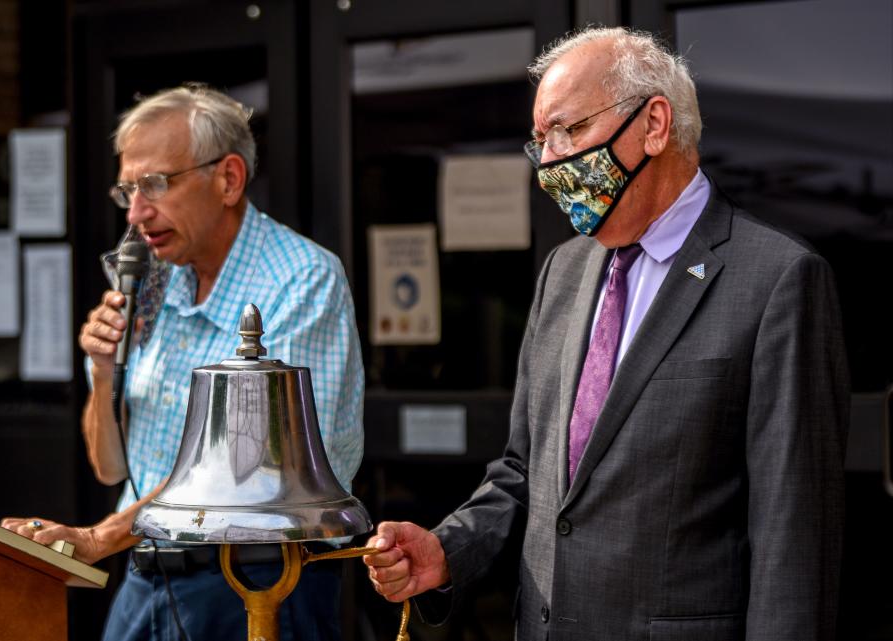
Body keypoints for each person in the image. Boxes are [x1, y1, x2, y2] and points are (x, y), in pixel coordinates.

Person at [364, 26, 849, 641]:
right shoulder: (564, 271)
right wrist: (447, 550)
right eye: (539, 141)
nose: (550, 161)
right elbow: (523, 474)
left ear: (653, 125)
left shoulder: (777, 279)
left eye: (568, 130)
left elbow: (793, 538)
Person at [2, 84, 365, 641]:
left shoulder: (300, 279)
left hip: (254, 583)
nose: (138, 213)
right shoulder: (151, 279)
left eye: (155, 184)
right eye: (127, 190)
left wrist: (99, 539)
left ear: (229, 179)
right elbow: (109, 467)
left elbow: (249, 473)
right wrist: (103, 370)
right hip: (144, 571)